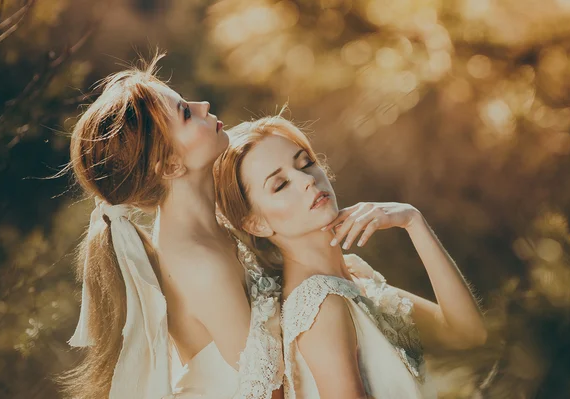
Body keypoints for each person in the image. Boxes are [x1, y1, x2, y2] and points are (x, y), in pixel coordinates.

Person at [214, 114, 488, 398]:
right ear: (256, 224)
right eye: (280, 184)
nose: (307, 179)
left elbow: (467, 335)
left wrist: (413, 221)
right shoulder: (320, 303)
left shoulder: (354, 276)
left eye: (305, 163)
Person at [62, 53, 283, 399]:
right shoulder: (200, 262)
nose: (203, 104)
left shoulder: (213, 221)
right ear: (169, 166)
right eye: (185, 112)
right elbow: (270, 392)